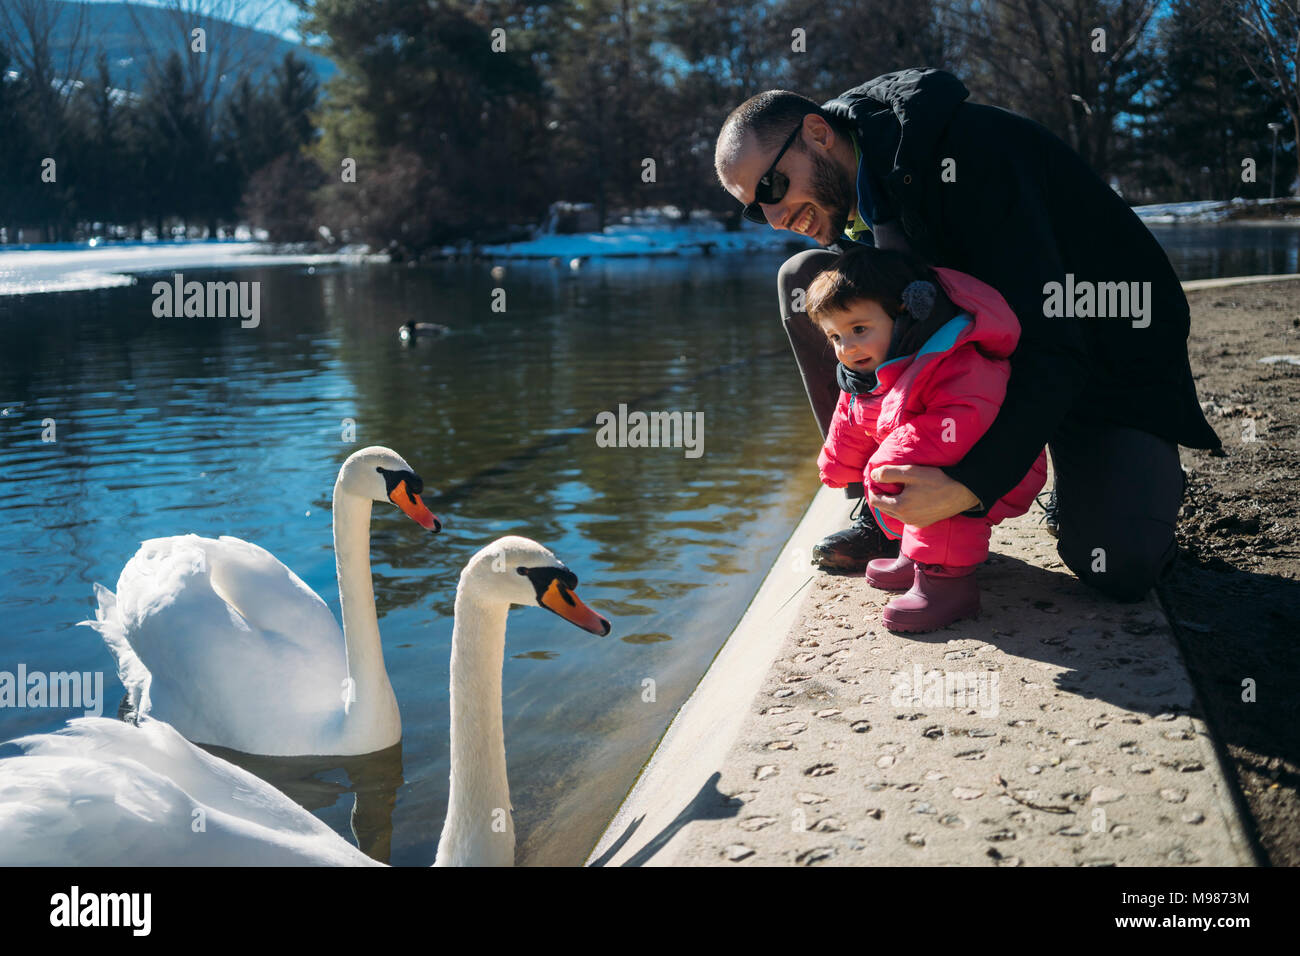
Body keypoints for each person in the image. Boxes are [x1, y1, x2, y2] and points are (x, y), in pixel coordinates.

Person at [713, 68, 1222, 601]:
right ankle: (883, 509)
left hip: (1097, 359)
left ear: (818, 133)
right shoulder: (853, 196)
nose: (772, 217)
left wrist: (970, 483)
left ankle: (1129, 476)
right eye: (753, 207)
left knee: (1121, 563)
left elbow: (1054, 344)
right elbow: (894, 334)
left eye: (771, 186)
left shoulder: (973, 154)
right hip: (980, 360)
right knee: (804, 280)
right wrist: (885, 434)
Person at [809, 245, 1046, 631]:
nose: (847, 348)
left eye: (859, 329)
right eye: (835, 336)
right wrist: (838, 464)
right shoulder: (869, 371)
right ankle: (916, 556)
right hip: (935, 460)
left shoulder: (955, 360)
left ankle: (947, 583)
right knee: (899, 470)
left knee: (918, 472)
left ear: (907, 315)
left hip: (994, 468)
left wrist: (885, 463)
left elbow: (962, 421)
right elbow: (851, 417)